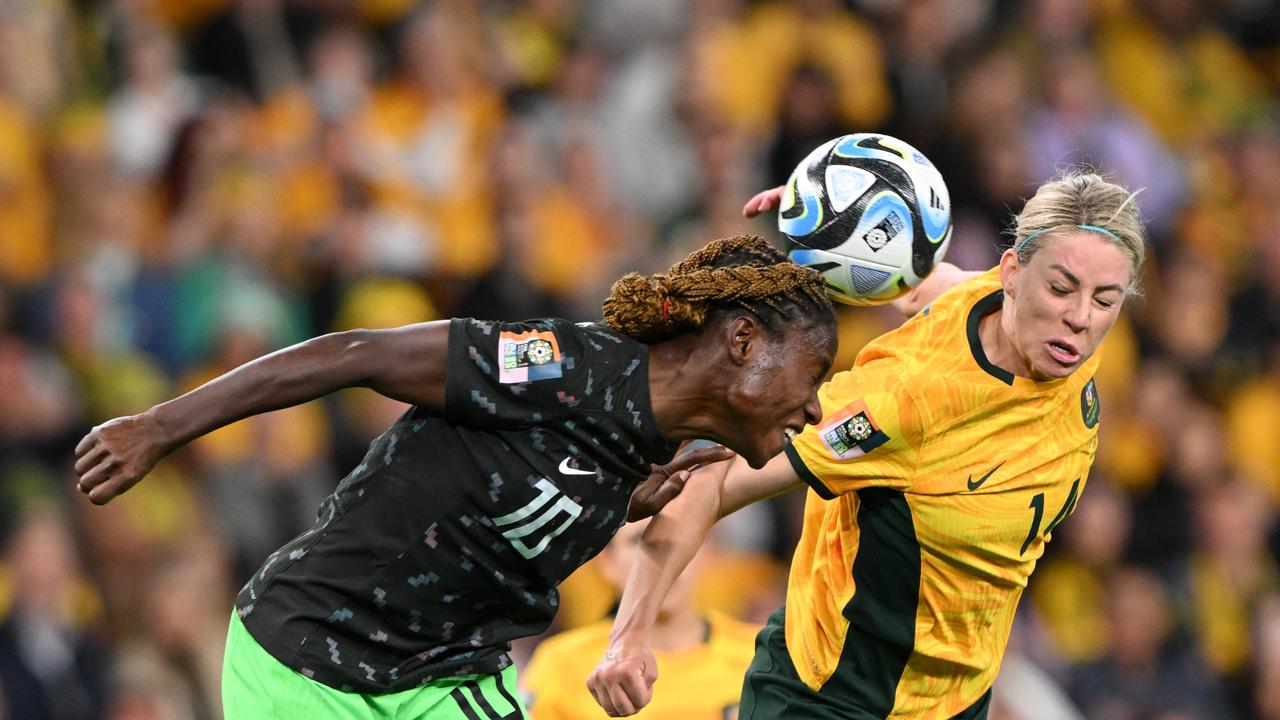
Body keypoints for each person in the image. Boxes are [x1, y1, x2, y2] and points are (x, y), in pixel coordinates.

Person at [72, 234, 837, 719]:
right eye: (811, 372)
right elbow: (360, 353)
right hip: (301, 655)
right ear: (741, 340)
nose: (812, 402)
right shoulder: (558, 367)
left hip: (440, 679)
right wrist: (161, 426)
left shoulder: (658, 455)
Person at [588, 171, 1146, 719]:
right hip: (836, 700)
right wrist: (629, 635)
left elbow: (935, 283)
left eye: (1106, 299)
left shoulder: (1039, 327)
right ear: (1011, 273)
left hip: (955, 704)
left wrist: (836, 225)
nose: (1079, 318)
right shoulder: (905, 401)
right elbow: (713, 483)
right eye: (1060, 287)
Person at [522, 514, 759, 719]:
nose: (662, 558)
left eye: (678, 537)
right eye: (639, 541)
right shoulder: (562, 664)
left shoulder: (761, 654)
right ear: (607, 563)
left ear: (706, 549)